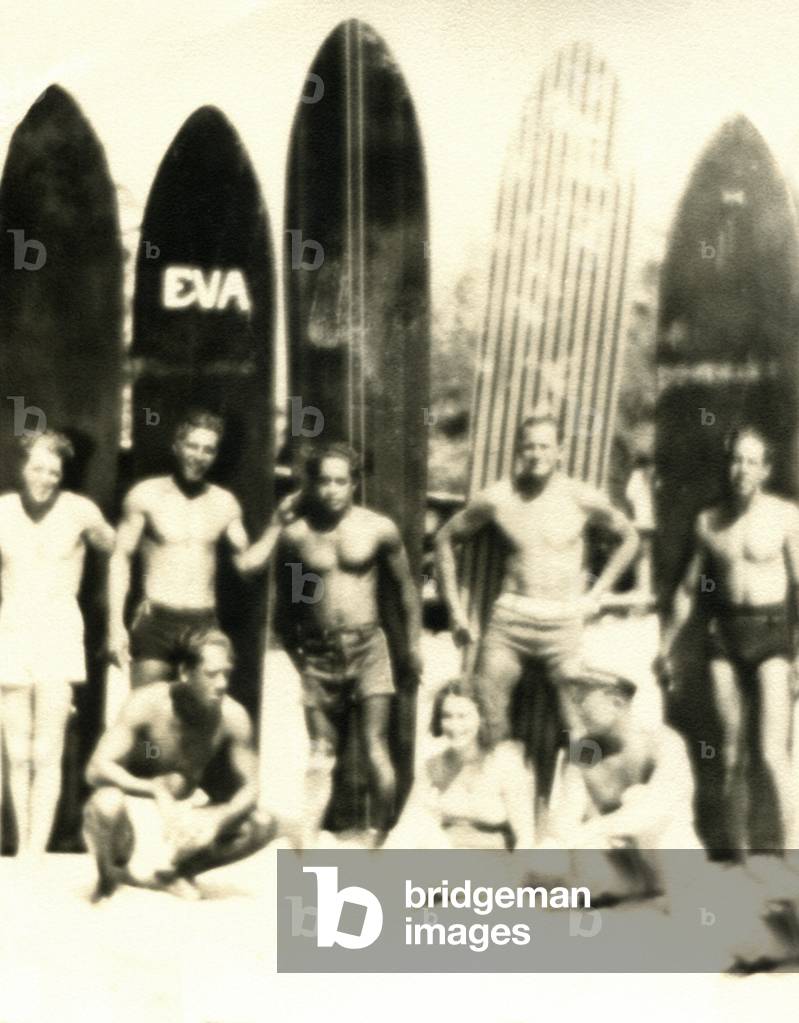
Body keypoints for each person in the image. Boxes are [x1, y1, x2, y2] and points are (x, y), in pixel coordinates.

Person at [244, 441, 421, 842]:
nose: (331, 490)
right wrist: (299, 657)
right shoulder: (297, 536)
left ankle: (382, 835)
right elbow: (289, 605)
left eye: (341, 481)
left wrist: (412, 646)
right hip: (319, 651)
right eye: (323, 481)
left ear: (354, 483)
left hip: (369, 647)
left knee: (376, 745)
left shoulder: (378, 528)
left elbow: (406, 590)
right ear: (313, 484)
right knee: (321, 750)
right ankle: (306, 837)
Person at [435, 413, 640, 746]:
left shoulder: (581, 498)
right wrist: (456, 612)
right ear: (518, 450)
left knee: (577, 727)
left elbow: (629, 538)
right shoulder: (499, 498)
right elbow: (445, 538)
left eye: (545, 446)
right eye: (528, 446)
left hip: (563, 625)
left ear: (560, 450)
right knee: (487, 716)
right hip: (510, 623)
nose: (536, 454)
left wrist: (597, 594)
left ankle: (575, 792)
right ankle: (498, 793)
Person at [658, 426, 799, 852]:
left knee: (773, 753)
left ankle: (794, 849)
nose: (741, 469)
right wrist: (665, 647)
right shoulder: (709, 521)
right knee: (729, 750)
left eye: (751, 461)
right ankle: (738, 855)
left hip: (772, 632)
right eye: (736, 459)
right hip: (725, 633)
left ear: (766, 469)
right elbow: (687, 589)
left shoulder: (785, 516)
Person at [82, 628, 277, 900]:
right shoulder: (147, 703)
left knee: (263, 823)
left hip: (183, 818)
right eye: (211, 674)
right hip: (137, 810)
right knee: (105, 803)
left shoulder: (232, 716)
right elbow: (97, 768)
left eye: (226, 673)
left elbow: (252, 787)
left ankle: (174, 873)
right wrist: (154, 790)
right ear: (186, 672)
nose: (221, 683)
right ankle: (109, 879)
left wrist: (219, 820)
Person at [0, 431, 115, 855]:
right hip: (11, 630)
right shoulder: (2, 511)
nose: (45, 478)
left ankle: (34, 850)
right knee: (16, 751)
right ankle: (18, 840)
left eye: (54, 471)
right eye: (37, 468)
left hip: (59, 631)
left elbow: (118, 550)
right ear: (22, 467)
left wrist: (112, 609)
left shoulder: (80, 511)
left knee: (47, 749)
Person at [108, 410, 252, 686]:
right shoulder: (145, 495)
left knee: (201, 715)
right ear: (177, 447)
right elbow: (120, 558)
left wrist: (277, 528)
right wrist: (115, 625)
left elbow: (247, 565)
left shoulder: (225, 503)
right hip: (156, 620)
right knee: (148, 713)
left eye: (208, 450)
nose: (199, 456)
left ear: (215, 455)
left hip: (203, 621)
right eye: (192, 446)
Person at [536, 670, 702, 905]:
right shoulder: (583, 751)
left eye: (583, 699)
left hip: (666, 850)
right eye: (575, 701)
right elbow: (566, 817)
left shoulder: (662, 741)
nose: (577, 710)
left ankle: (682, 901)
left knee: (638, 799)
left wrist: (590, 830)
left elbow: (654, 811)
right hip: (622, 857)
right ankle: (627, 889)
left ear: (617, 701)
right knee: (552, 862)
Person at [386, 680, 536, 849]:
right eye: (447, 716)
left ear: (482, 718)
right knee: (416, 827)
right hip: (444, 859)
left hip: (493, 866)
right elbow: (406, 827)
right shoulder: (433, 766)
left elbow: (526, 839)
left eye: (463, 716)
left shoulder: (505, 763)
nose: (454, 726)